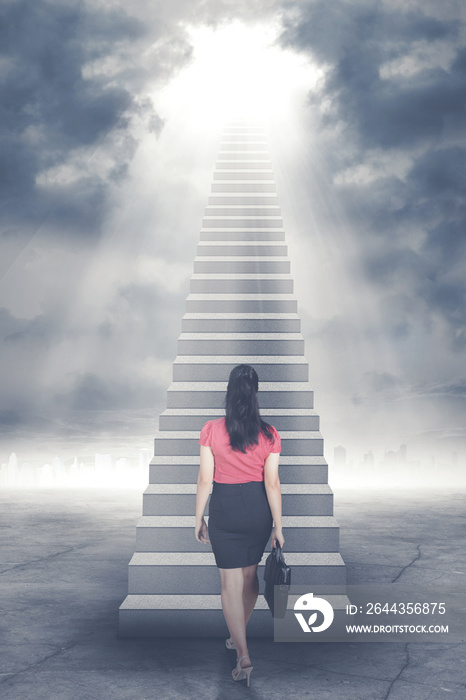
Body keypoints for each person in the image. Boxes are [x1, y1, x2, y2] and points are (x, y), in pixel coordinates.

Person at [194, 364, 285, 687]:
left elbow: (206, 479)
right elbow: (272, 484)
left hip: (225, 508)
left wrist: (198, 517)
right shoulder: (270, 434)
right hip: (258, 509)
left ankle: (242, 653)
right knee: (250, 579)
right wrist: (278, 527)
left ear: (229, 393)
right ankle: (239, 635)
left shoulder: (211, 430)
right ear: (256, 393)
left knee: (229, 585)